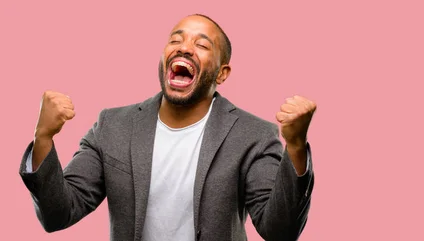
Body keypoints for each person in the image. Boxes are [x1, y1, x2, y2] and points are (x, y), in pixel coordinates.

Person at [18, 14, 316, 241]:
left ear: (222, 73)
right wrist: (43, 137)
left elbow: (280, 231)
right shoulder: (112, 125)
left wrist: (296, 147)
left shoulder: (253, 135)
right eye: (176, 40)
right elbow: (58, 213)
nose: (184, 48)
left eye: (201, 44)